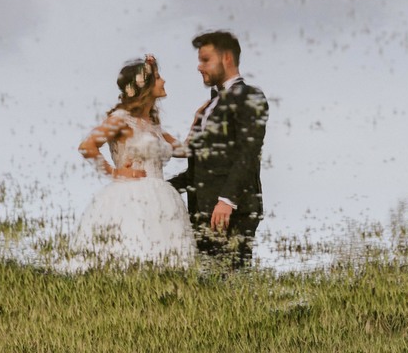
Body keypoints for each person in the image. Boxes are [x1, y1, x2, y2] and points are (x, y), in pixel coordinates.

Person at [73, 54, 194, 268]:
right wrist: (114, 172)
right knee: (132, 254)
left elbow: (184, 150)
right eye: (157, 77)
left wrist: (199, 117)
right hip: (132, 197)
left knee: (165, 260)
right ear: (144, 86)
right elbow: (87, 146)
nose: (164, 80)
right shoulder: (120, 119)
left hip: (162, 199)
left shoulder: (153, 126)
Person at [168, 30, 268, 268]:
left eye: (205, 60)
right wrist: (160, 189)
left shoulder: (249, 96)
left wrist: (227, 200)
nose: (199, 67)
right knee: (208, 292)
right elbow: (198, 169)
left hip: (232, 211)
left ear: (227, 59)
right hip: (200, 211)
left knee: (234, 287)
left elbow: (248, 153)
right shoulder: (206, 108)